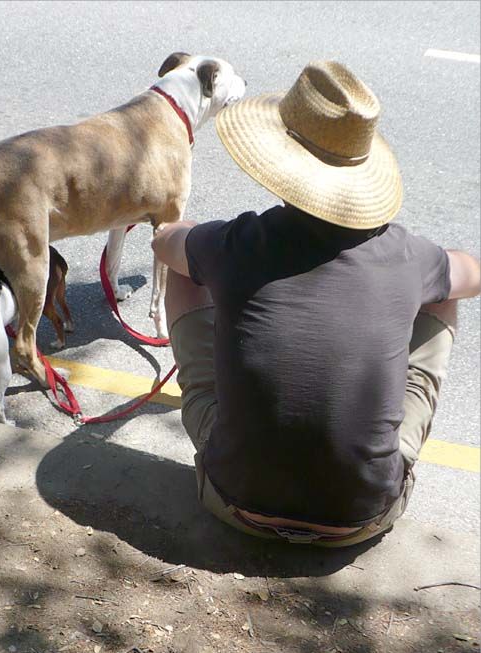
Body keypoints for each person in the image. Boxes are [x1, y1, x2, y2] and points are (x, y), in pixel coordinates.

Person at [152, 60, 480, 547]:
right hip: (362, 519)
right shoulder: (405, 254)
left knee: (186, 270)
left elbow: (164, 242)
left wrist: (205, 252)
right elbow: (471, 274)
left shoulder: (240, 242)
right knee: (443, 294)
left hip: (233, 502)